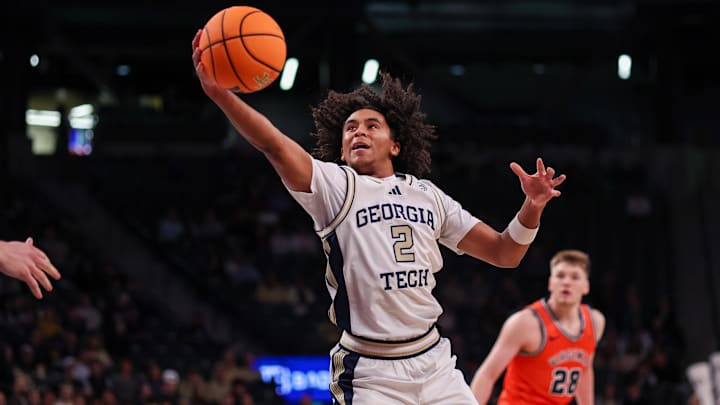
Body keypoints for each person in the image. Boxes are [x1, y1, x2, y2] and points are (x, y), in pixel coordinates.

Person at [192, 30, 566, 404]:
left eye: (372, 126)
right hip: (371, 371)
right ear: (341, 148)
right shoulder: (335, 187)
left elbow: (505, 253)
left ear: (396, 143)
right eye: (350, 128)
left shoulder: (427, 195)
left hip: (433, 361)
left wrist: (531, 208)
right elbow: (273, 144)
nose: (359, 132)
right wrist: (222, 96)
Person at [470, 249, 606, 405]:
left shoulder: (595, 322)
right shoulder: (526, 323)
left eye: (575, 277)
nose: (566, 282)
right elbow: (487, 375)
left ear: (586, 286)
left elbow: (585, 370)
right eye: (560, 276)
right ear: (550, 283)